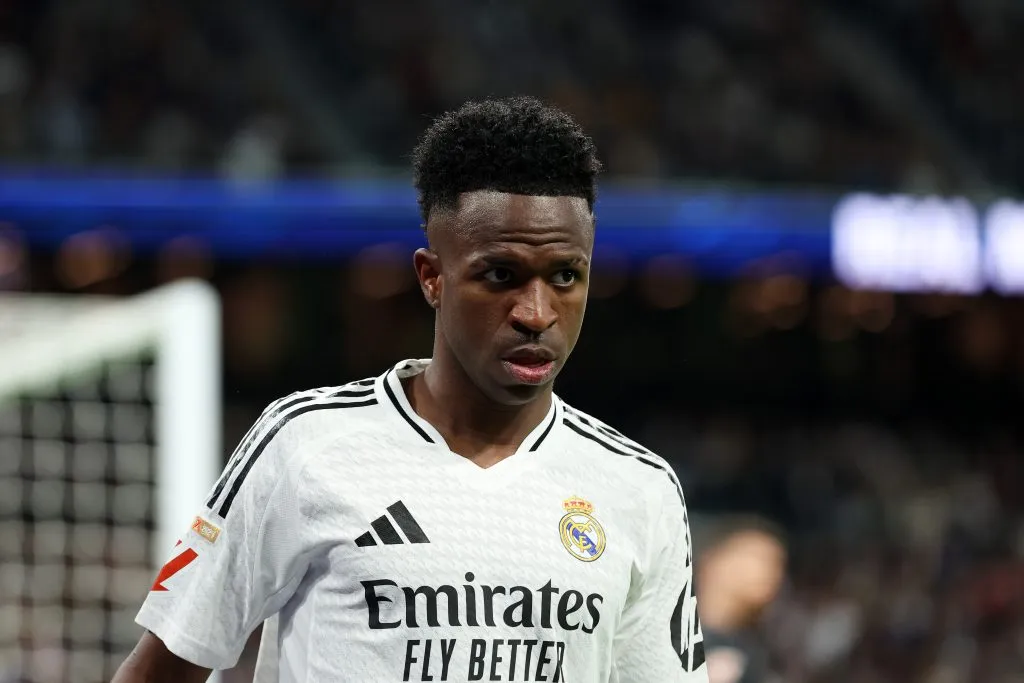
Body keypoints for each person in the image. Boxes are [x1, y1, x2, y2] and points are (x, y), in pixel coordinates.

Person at [112, 96, 708, 683]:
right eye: (501, 275)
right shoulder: (306, 446)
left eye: (565, 276)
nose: (536, 312)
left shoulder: (639, 488)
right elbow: (157, 674)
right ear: (432, 278)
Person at [693, 516, 786, 683]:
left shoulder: (765, 651)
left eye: (778, 563)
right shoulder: (661, 626)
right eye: (758, 558)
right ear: (713, 560)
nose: (772, 572)